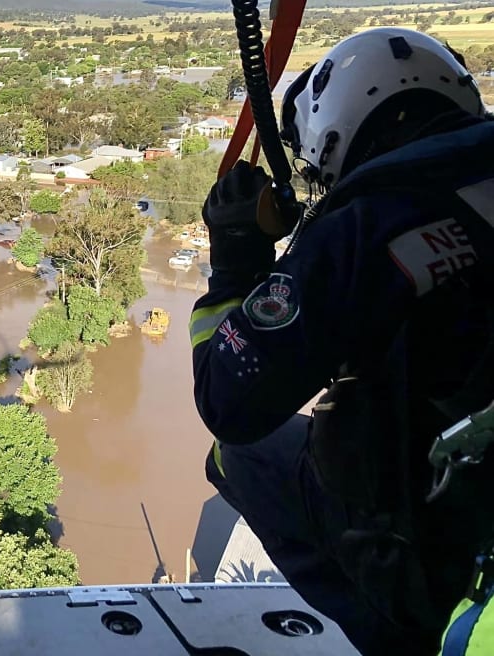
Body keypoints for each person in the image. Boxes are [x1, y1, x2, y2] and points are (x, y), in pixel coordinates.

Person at [190, 27, 494, 655]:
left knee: (238, 452)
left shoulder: (368, 226)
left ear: (336, 137)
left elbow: (229, 400)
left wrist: (235, 261)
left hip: (453, 546)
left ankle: (399, 627)